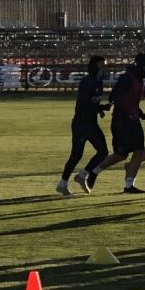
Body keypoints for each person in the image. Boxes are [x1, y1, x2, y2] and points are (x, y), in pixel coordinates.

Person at [84, 52, 145, 193]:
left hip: (132, 120)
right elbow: (114, 96)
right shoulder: (127, 78)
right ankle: (95, 171)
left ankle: (129, 185)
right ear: (141, 67)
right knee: (121, 154)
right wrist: (126, 112)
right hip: (122, 121)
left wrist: (138, 112)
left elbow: (131, 100)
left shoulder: (138, 79)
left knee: (138, 151)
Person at [58, 55, 110, 195]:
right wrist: (101, 108)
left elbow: (92, 103)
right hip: (82, 123)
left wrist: (100, 109)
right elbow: (84, 104)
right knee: (76, 155)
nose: (103, 67)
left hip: (91, 122)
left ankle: (81, 176)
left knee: (103, 151)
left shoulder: (98, 81)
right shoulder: (87, 82)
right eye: (101, 65)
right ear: (95, 65)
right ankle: (63, 183)